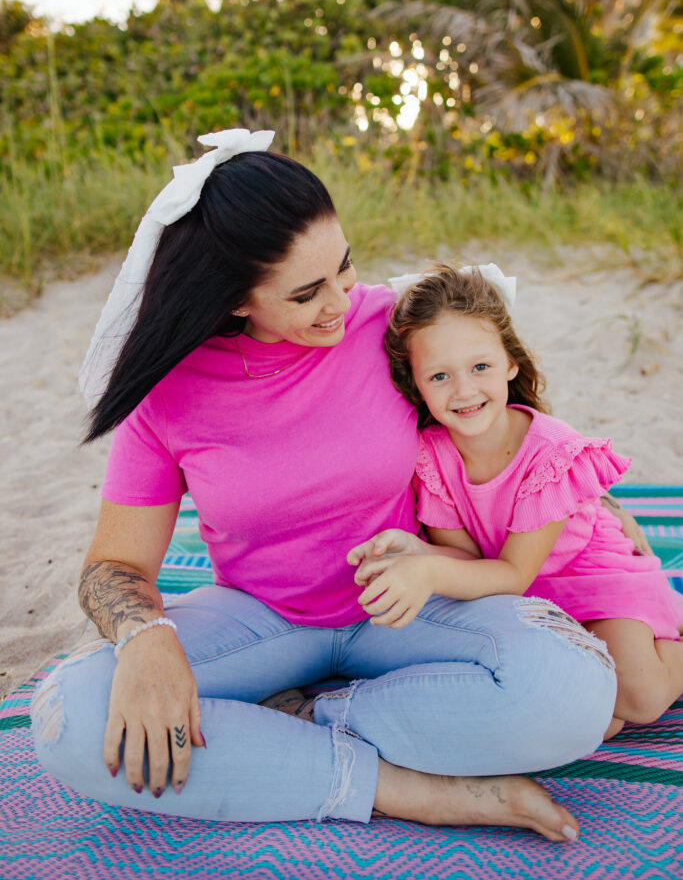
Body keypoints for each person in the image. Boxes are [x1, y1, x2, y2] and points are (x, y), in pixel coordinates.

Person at [31, 129, 619, 842]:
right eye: (306, 293)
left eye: (344, 269)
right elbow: (113, 567)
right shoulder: (168, 394)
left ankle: (306, 725)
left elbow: (498, 417)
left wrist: (593, 508)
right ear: (235, 298)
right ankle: (404, 789)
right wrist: (144, 638)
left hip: (411, 608)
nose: (341, 301)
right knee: (72, 714)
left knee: (574, 691)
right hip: (263, 619)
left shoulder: (390, 328)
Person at [350, 263, 682, 739]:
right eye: (440, 375)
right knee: (586, 716)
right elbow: (464, 558)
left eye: (480, 367)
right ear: (416, 383)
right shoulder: (430, 455)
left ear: (511, 363)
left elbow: (512, 573)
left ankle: (672, 629)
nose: (464, 390)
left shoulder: (547, 452)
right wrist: (415, 550)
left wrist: (429, 570)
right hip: (514, 594)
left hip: (590, 577)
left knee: (641, 697)